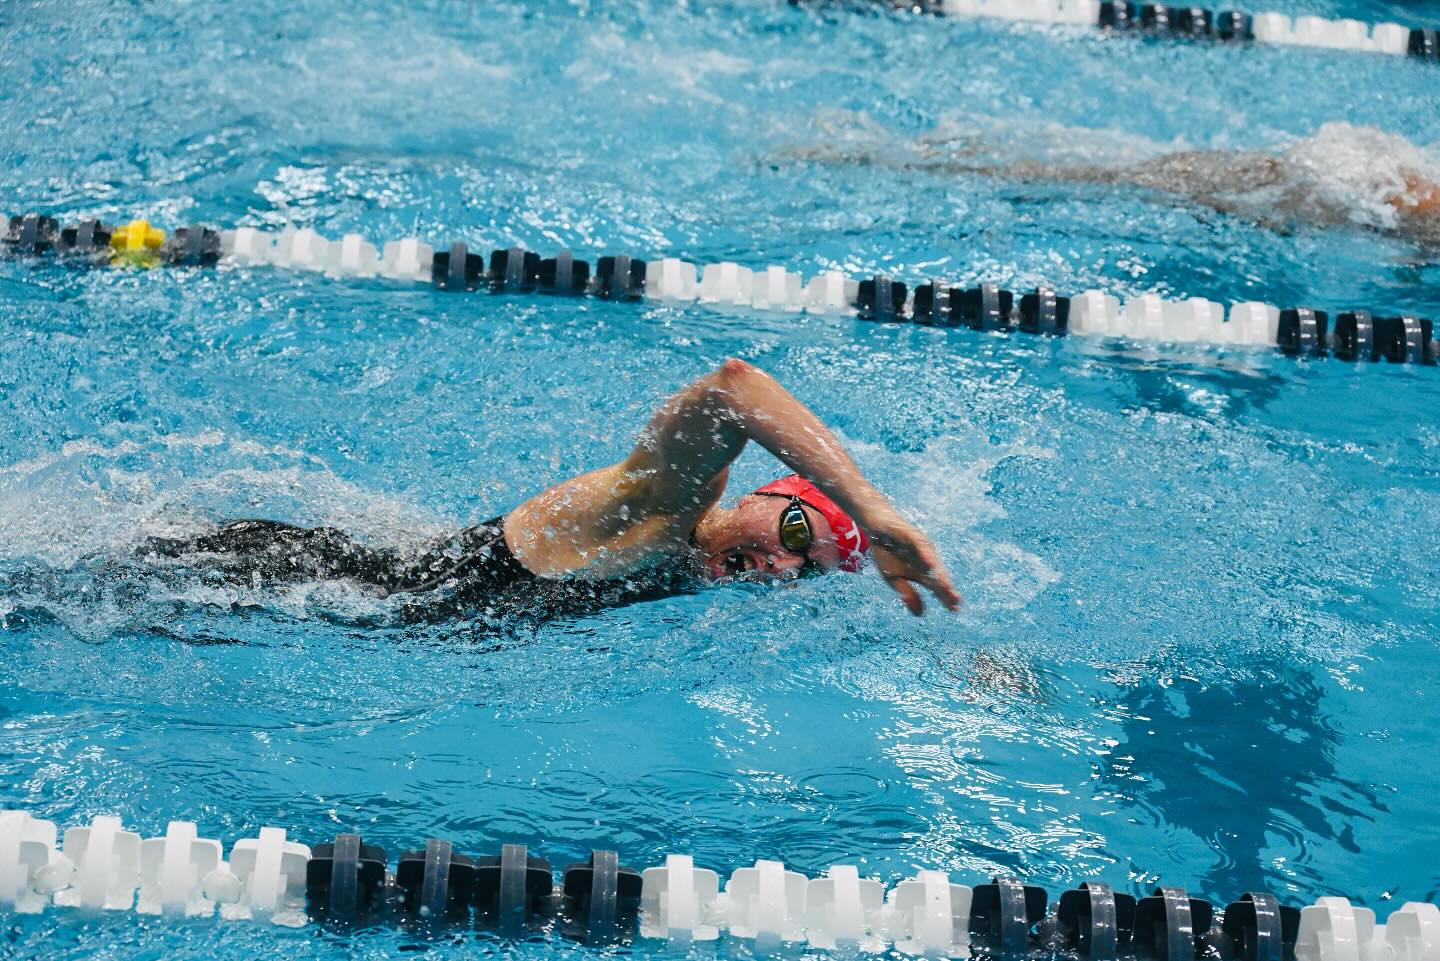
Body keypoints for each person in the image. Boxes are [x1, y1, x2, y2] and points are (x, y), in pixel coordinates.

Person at [146, 359, 961, 621]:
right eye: (795, 536)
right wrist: (869, 508)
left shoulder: (682, 579)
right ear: (762, 495)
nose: (785, 567)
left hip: (316, 614)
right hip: (272, 578)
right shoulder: (662, 508)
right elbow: (732, 388)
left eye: (807, 571)